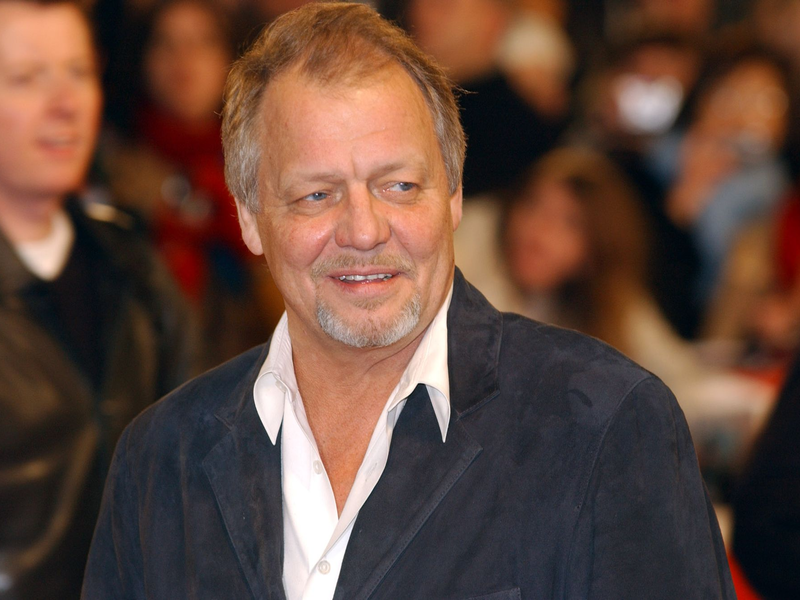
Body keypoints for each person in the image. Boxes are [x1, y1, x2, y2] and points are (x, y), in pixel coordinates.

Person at [82, 3, 734, 599]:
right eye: (317, 194)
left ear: (452, 194)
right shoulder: (161, 458)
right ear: (251, 218)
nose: (363, 229)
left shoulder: (606, 427)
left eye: (398, 185)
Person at [0, 0, 194, 597]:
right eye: (27, 79)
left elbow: (202, 462)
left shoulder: (134, 270)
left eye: (80, 72)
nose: (65, 104)